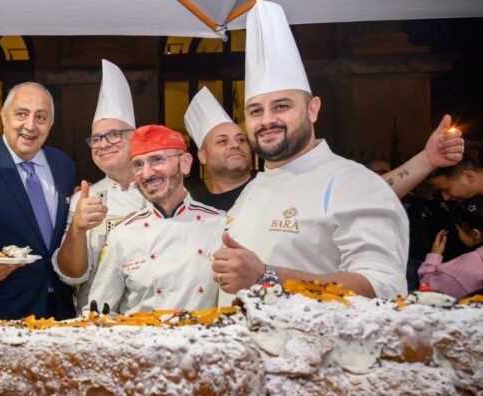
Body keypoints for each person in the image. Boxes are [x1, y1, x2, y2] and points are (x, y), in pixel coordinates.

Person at [212, 0, 410, 304]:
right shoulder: (252, 190)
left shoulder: (354, 183)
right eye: (255, 110)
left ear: (313, 109)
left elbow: (383, 288)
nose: (267, 121)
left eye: (282, 106)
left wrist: (267, 276)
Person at [184, 88, 464, 211]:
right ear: (202, 156)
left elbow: (372, 191)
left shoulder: (279, 181)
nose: (235, 143)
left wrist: (427, 160)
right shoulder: (191, 203)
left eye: (240, 138)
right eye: (222, 141)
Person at [0, 82, 77, 320]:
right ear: (3, 116)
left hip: (60, 311)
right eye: (21, 114)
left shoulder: (63, 164)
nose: (30, 126)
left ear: (51, 123)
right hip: (3, 311)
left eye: (41, 117)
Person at [88, 125, 224, 313]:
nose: (147, 173)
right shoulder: (122, 234)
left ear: (185, 163)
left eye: (157, 160)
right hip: (141, 340)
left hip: (203, 339)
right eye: (138, 165)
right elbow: (99, 310)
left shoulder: (221, 225)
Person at [53, 60, 147, 310]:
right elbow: (71, 276)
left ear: (135, 138)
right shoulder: (84, 199)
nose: (103, 144)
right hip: (96, 319)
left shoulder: (160, 191)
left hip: (154, 316)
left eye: (114, 134)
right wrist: (78, 229)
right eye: (96, 138)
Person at [418, 196, 483, 298]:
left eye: (458, 230)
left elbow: (427, 292)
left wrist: (433, 257)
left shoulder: (461, 271)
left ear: (476, 234)